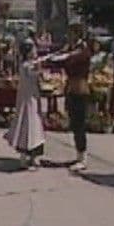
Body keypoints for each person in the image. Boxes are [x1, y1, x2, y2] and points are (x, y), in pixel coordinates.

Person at [44, 25, 93, 172]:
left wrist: (63, 56)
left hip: (80, 88)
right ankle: (79, 154)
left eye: (71, 34)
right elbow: (60, 59)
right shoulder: (71, 48)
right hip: (71, 88)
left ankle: (82, 157)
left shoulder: (83, 50)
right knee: (74, 122)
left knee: (79, 124)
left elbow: (69, 60)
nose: (68, 36)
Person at [3, 41, 46, 170]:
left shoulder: (29, 65)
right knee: (27, 126)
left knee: (35, 127)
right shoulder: (27, 66)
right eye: (33, 50)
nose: (36, 52)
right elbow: (33, 73)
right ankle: (25, 157)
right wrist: (40, 68)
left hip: (32, 98)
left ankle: (34, 157)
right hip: (27, 100)